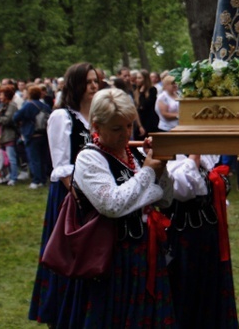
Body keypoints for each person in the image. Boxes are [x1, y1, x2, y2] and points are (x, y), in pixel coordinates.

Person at [64, 88, 174, 327]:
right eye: (116, 129)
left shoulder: (132, 153)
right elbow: (112, 205)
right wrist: (147, 172)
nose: (125, 135)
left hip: (144, 253)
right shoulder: (88, 158)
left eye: (128, 126)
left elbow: (165, 200)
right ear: (97, 127)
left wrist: (162, 167)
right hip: (111, 261)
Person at [29, 62, 99, 324]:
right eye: (89, 81)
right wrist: (83, 198)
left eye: (96, 82)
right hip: (72, 197)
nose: (94, 86)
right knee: (67, 254)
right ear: (76, 85)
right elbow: (62, 166)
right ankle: (61, 311)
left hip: (96, 195)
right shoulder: (62, 117)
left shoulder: (97, 117)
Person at [165, 153, 238, 327]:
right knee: (187, 296)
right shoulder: (173, 159)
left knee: (210, 294)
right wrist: (194, 157)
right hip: (185, 242)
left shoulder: (207, 158)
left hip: (209, 239)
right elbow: (183, 191)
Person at [14, 84, 52, 189]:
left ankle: (36, 180)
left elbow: (16, 117)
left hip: (32, 134)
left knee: (34, 159)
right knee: (43, 158)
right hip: (44, 135)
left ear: (30, 94)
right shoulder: (45, 106)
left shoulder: (28, 105)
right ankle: (43, 179)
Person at [133, 69, 160, 140]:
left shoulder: (152, 90)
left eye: (139, 78)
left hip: (150, 121)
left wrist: (142, 94)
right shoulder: (135, 91)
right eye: (137, 78)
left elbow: (144, 106)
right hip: (139, 121)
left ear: (145, 79)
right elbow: (136, 108)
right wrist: (139, 126)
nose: (137, 80)